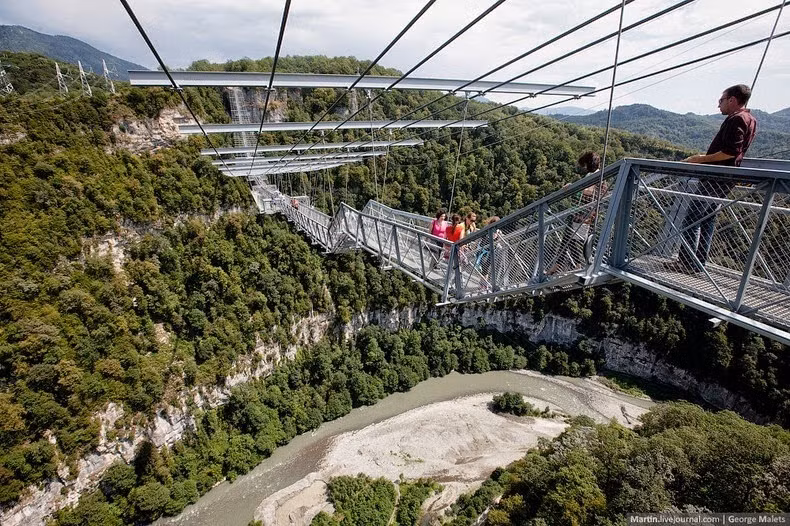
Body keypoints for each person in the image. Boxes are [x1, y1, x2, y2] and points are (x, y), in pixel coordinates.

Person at [670, 84, 757, 273]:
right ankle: (698, 264)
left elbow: (730, 151)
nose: (719, 105)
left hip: (715, 178)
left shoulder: (736, 119)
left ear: (732, 100)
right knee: (707, 220)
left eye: (722, 100)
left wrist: (701, 159)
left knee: (692, 219)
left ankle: (685, 263)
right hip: (726, 179)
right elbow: (733, 152)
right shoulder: (750, 119)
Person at [548, 151, 606, 275]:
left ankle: (565, 266)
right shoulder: (599, 175)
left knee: (569, 239)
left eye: (584, 164)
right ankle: (570, 265)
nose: (584, 168)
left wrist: (573, 187)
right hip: (586, 214)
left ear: (588, 164)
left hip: (584, 215)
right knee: (569, 239)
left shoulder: (596, 175)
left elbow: (589, 191)